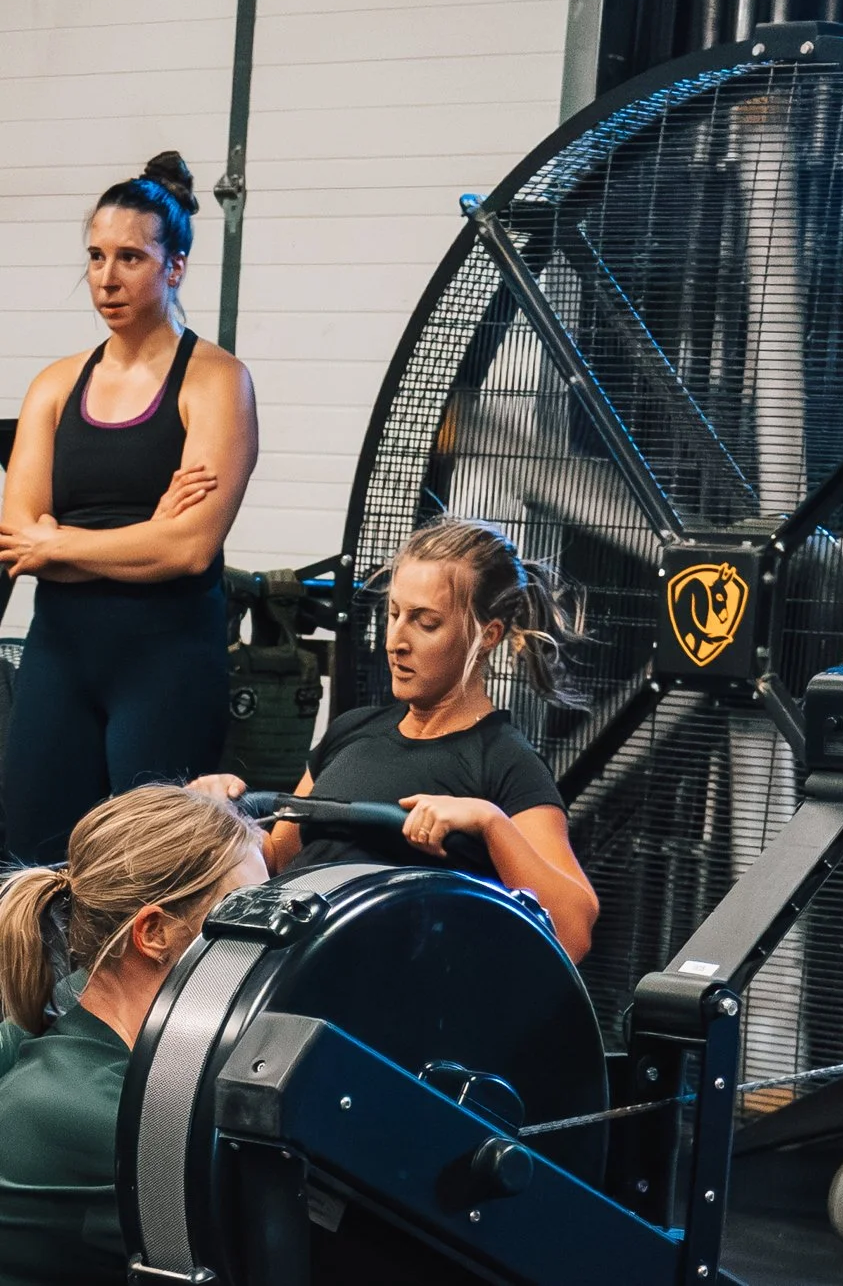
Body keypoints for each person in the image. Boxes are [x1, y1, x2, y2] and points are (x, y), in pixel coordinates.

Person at [0, 152, 259, 866]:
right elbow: (19, 538)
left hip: (166, 663)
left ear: (174, 267)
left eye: (131, 257)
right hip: (60, 658)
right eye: (95, 256)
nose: (107, 277)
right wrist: (140, 534)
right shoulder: (55, 384)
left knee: (144, 875)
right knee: (31, 873)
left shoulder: (215, 381)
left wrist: (62, 544)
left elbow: (189, 550)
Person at [190, 518, 599, 962]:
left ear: (488, 635)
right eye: (394, 614)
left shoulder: (504, 762)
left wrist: (490, 823)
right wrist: (218, 815)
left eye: (426, 623)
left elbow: (573, 934)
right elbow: (273, 860)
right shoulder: (352, 730)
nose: (396, 641)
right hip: (289, 969)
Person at [0, 785, 268, 1285]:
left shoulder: (85, 999)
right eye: (245, 914)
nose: (269, 942)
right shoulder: (105, 1114)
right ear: (153, 933)